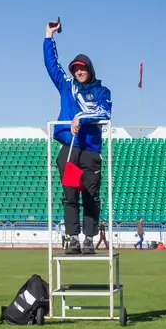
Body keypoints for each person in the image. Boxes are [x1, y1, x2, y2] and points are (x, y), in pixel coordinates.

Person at [44, 18, 112, 255]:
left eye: (82, 68)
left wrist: (80, 117)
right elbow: (52, 65)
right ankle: (72, 238)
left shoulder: (102, 91)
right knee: (70, 195)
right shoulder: (67, 86)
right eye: (75, 68)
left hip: (90, 151)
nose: (79, 71)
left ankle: (89, 240)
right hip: (70, 149)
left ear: (90, 70)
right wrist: (48, 35)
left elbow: (105, 113)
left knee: (91, 196)